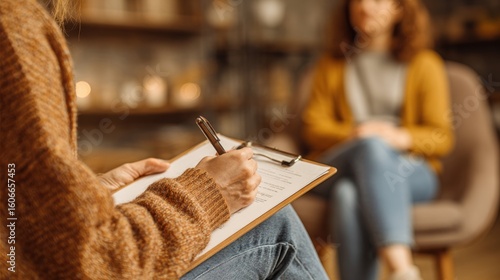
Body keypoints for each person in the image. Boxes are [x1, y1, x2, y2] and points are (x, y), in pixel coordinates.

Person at [0, 0, 328, 279]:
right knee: (274, 225)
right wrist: (210, 192)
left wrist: (93, 192)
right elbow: (87, 262)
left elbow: (19, 215)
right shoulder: (14, 29)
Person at [301, 0, 454, 279]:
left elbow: (441, 136)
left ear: (399, 9)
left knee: (348, 194)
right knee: (369, 147)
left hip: (409, 168)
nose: (364, 6)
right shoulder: (331, 64)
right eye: (356, 0)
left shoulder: (425, 64)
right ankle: (402, 270)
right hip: (344, 159)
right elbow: (313, 126)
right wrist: (356, 135)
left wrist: (395, 136)